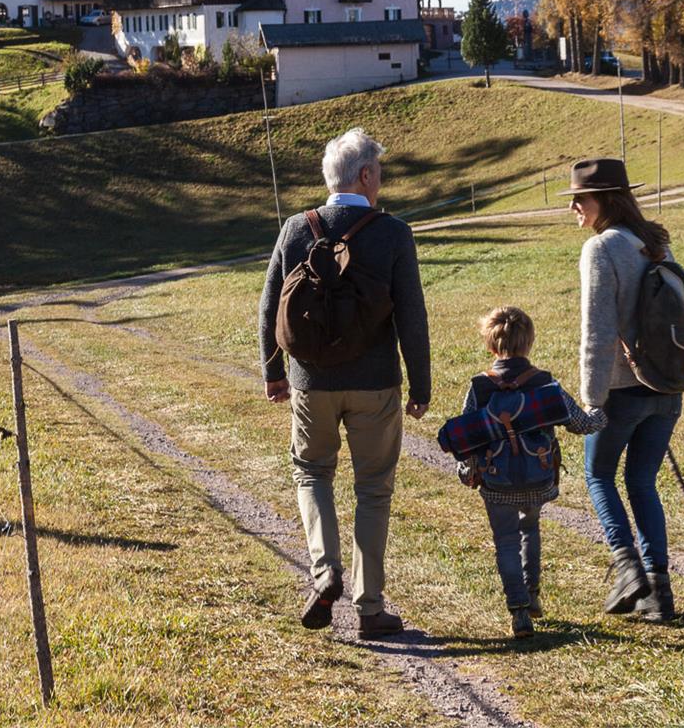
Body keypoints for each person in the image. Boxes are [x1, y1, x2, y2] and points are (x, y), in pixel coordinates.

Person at [258, 128, 430, 639]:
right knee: (373, 491)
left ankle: (325, 571)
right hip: (376, 385)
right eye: (379, 171)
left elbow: (270, 306)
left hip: (311, 383)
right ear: (365, 175)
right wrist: (419, 385)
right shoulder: (394, 232)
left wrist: (273, 373)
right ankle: (370, 608)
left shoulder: (296, 228)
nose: (382, 179)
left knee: (312, 474)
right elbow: (412, 316)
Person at [568, 156, 682, 621]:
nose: (574, 207)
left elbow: (597, 330)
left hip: (621, 389)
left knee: (597, 475)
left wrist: (592, 401)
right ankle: (659, 592)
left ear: (607, 201)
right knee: (641, 482)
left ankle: (626, 567)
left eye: (581, 199)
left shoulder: (601, 249)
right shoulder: (655, 243)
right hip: (666, 387)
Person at [451, 307, 603, 639]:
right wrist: (600, 409)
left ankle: (519, 613)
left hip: (495, 480)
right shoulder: (544, 383)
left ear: (490, 346)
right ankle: (532, 593)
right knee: (530, 529)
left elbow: (465, 440)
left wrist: (465, 469)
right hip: (539, 476)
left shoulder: (480, 387)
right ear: (530, 343)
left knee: (505, 540)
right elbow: (582, 424)